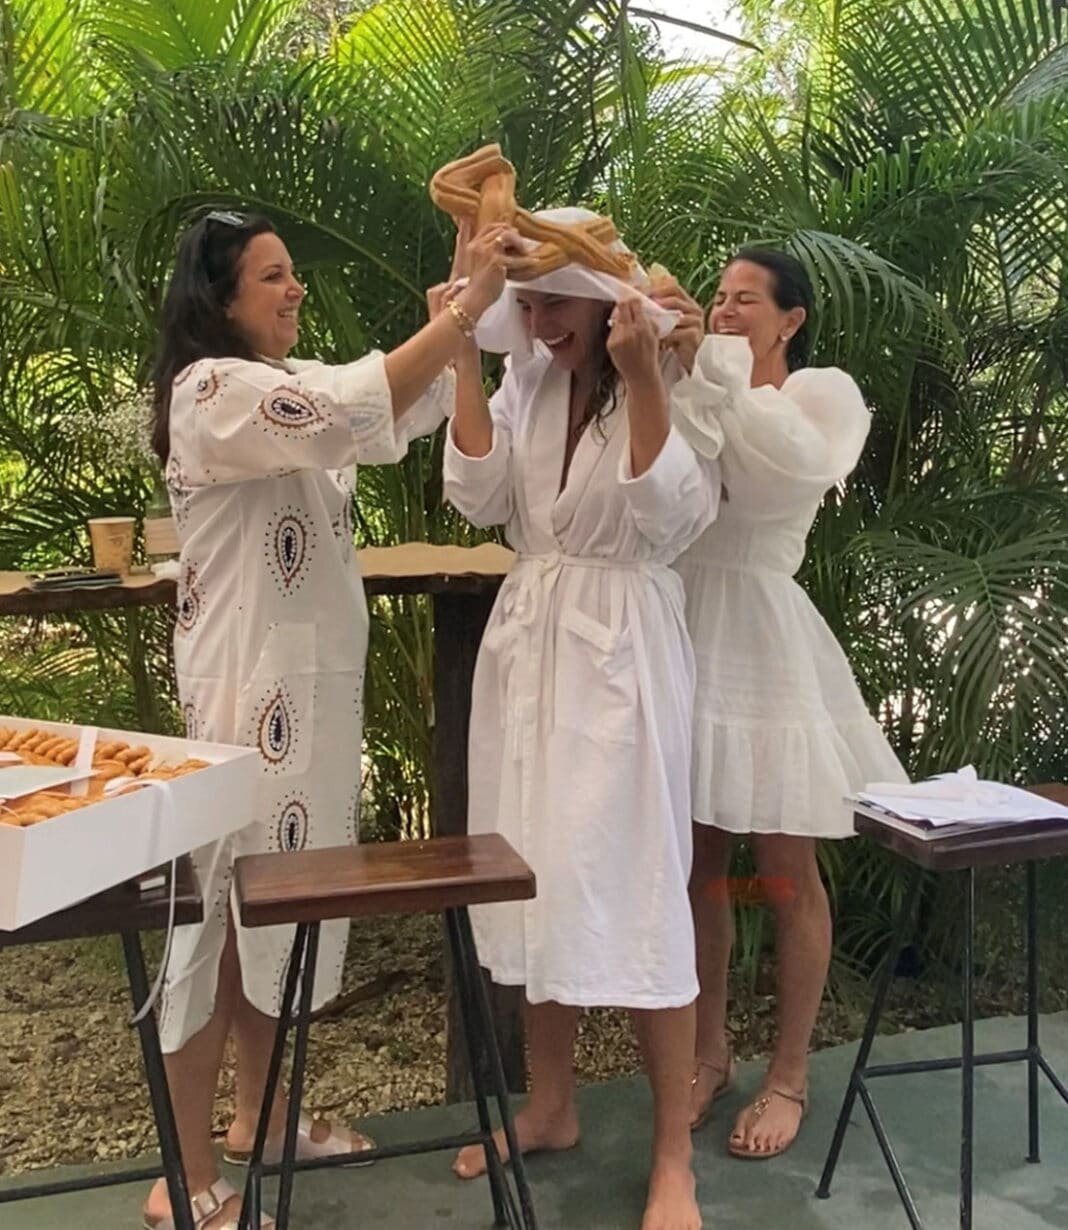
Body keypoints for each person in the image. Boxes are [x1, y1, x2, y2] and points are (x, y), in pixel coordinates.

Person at [144, 209, 510, 1230]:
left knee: (282, 912)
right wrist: (466, 306)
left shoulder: (281, 391)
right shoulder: (213, 391)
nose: (293, 290)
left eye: (291, 273)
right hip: (238, 707)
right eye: (272, 277)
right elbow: (346, 400)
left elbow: (385, 408)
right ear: (217, 301)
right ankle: (183, 1181)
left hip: (308, 700)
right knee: (215, 929)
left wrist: (456, 308)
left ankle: (259, 1121)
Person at [441, 207, 720, 1230]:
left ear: (602, 296)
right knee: (532, 876)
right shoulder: (530, 377)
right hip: (533, 644)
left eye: (555, 299)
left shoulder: (672, 365)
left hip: (625, 649)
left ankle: (673, 1160)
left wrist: (645, 376)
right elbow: (475, 497)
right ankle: (550, 1105)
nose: (541, 319)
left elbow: (668, 519)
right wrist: (471, 355)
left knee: (643, 886)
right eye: (526, 304)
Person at [669, 249, 908, 1159]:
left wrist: (708, 368)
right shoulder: (700, 384)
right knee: (696, 868)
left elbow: (780, 471)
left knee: (782, 872)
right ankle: (705, 1055)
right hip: (679, 628)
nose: (725, 310)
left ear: (790, 321)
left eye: (745, 300)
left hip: (762, 640)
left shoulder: (821, 397)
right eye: (717, 296)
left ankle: (790, 1074)